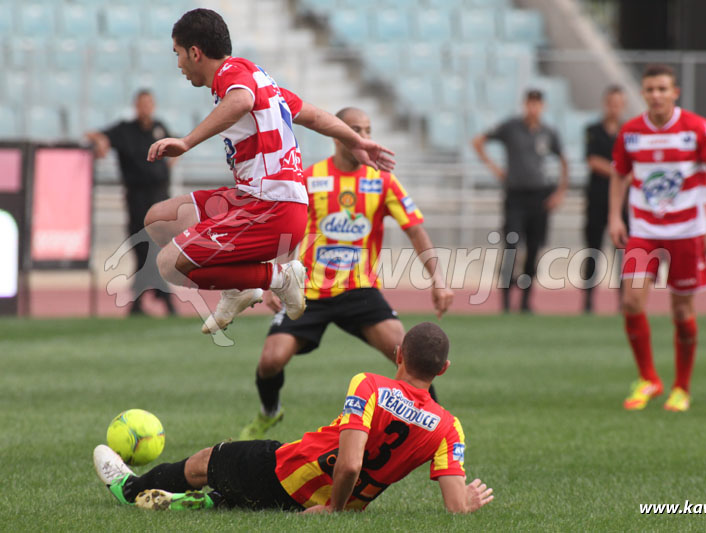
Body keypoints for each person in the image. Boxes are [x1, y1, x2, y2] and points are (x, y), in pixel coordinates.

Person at [142, 9, 396, 336]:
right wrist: (356, 139)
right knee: (158, 219)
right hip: (252, 197)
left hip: (271, 208)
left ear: (195, 52)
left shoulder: (234, 78)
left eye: (177, 54)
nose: (178, 64)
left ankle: (278, 278)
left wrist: (187, 142)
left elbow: (241, 102)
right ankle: (238, 288)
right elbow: (314, 116)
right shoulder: (259, 78)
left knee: (169, 265)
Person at [93, 322, 494, 514]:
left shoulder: (370, 385)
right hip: (328, 499)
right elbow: (455, 506)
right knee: (239, 492)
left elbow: (351, 462)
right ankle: (194, 504)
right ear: (443, 370)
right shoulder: (448, 426)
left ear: (399, 355)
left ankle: (129, 489)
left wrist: (332, 510)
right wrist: (469, 503)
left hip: (291, 474)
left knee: (209, 460)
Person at [238, 107, 454, 440]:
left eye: (368, 130)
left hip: (360, 290)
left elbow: (415, 230)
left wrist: (437, 279)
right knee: (270, 360)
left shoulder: (382, 180)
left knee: (410, 357)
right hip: (309, 292)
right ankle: (270, 412)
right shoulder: (310, 179)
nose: (365, 138)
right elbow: (289, 230)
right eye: (356, 130)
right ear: (338, 134)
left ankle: (436, 433)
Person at [609, 64, 706, 412]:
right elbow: (619, 175)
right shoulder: (631, 133)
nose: (656, 95)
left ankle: (681, 386)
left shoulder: (696, 128)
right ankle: (648, 378)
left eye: (663, 89)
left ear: (674, 92)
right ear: (643, 93)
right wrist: (615, 217)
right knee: (631, 302)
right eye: (650, 89)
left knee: (681, 310)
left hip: (687, 232)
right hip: (644, 231)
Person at [472, 89, 569, 313]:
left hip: (540, 196)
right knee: (511, 247)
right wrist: (495, 169)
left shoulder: (549, 132)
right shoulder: (510, 127)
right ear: (524, 105)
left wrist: (560, 192)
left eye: (537, 104)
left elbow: (564, 160)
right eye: (529, 104)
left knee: (534, 249)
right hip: (515, 196)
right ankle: (505, 302)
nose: (533, 109)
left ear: (543, 106)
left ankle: (526, 301)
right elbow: (478, 141)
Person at [85, 90, 177, 316]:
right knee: (145, 250)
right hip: (137, 200)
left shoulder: (160, 128)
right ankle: (163, 296)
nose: (145, 108)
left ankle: (141, 302)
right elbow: (94, 135)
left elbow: (176, 148)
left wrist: (172, 160)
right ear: (136, 106)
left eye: (149, 104)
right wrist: (100, 143)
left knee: (152, 250)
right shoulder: (125, 130)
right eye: (141, 104)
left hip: (160, 199)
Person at [582, 86, 627, 314]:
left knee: (623, 252)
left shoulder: (630, 132)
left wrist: (619, 174)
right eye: (611, 102)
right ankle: (588, 301)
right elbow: (592, 160)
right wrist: (619, 172)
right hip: (597, 199)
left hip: (623, 203)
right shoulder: (593, 130)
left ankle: (624, 300)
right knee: (593, 251)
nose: (614, 107)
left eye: (618, 103)